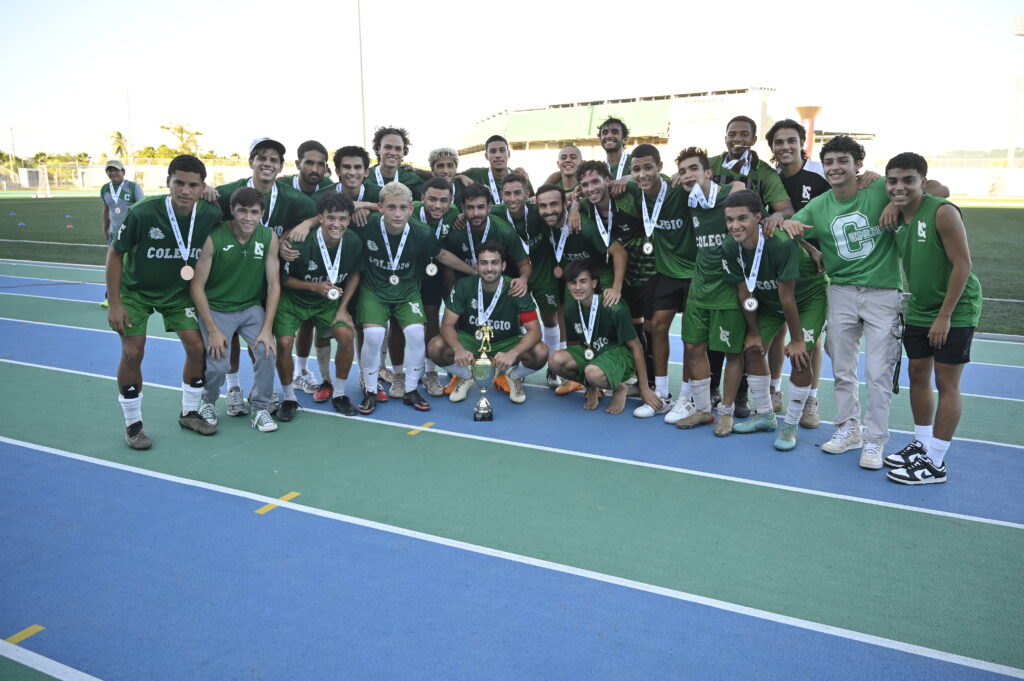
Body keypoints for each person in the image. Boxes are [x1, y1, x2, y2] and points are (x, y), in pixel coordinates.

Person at [779, 136, 911, 468]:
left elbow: (936, 189)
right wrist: (794, 228)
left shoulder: (879, 189)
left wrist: (895, 200)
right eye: (830, 162)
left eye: (843, 161)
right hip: (840, 291)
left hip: (882, 292)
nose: (835, 167)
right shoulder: (820, 204)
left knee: (879, 371)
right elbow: (788, 226)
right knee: (841, 367)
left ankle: (875, 440)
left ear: (857, 165)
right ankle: (848, 429)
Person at [106, 154, 222, 449]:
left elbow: (246, 198)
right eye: (179, 183)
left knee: (197, 348)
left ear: (202, 187)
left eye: (193, 185)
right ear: (167, 181)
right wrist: (115, 303)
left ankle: (190, 412)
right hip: (136, 292)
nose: (185, 191)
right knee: (134, 352)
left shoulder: (209, 212)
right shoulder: (143, 212)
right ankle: (133, 425)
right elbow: (115, 253)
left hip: (177, 293)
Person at [882, 152, 982, 485]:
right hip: (921, 307)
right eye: (893, 181)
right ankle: (922, 445)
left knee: (947, 382)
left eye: (908, 180)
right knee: (917, 372)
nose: (899, 187)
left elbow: (962, 265)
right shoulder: (897, 213)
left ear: (922, 182)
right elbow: (915, 189)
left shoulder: (942, 212)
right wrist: (896, 203)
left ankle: (936, 462)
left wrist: (945, 316)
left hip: (955, 308)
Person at [211, 138, 317, 415]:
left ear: (281, 167)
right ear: (251, 162)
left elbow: (320, 213)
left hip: (269, 278)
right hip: (233, 278)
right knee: (231, 337)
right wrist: (206, 190)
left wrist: (302, 225)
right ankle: (233, 388)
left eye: (273, 160)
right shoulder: (230, 192)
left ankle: (264, 391)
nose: (267, 164)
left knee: (262, 338)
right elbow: (204, 199)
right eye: (262, 158)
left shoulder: (290, 197)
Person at [352, 181, 475, 414]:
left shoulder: (422, 232)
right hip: (374, 291)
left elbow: (442, 255)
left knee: (417, 333)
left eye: (402, 208)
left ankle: (410, 390)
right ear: (380, 207)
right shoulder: (366, 225)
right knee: (374, 334)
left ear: (411, 208)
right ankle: (370, 390)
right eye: (391, 207)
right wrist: (308, 224)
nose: (397, 214)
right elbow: (333, 211)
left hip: (407, 291)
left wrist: (473, 271)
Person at [722, 189, 828, 450]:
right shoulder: (729, 246)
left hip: (806, 299)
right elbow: (744, 292)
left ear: (759, 217)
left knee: (801, 357)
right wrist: (754, 332)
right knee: (753, 350)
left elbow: (788, 297)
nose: (735, 226)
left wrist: (798, 340)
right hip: (769, 301)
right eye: (729, 219)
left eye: (742, 218)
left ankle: (790, 425)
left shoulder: (779, 242)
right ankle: (766, 416)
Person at [613, 144, 694, 420]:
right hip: (667, 272)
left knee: (692, 338)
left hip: (694, 272)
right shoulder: (635, 190)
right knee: (657, 327)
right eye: (636, 169)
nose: (643, 174)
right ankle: (661, 393)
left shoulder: (678, 190)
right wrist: (576, 202)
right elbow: (602, 186)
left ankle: (687, 397)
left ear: (660, 167)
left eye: (648, 167)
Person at [191, 187, 281, 432]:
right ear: (232, 210)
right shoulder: (214, 237)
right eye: (242, 211)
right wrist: (212, 329)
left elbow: (274, 286)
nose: (248, 218)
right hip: (218, 308)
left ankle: (260, 408)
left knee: (266, 352)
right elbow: (197, 286)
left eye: (254, 212)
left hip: (251, 307)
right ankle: (207, 402)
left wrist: (267, 329)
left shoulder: (269, 237)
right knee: (219, 364)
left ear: (262, 213)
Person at [671, 148, 744, 435]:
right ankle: (703, 410)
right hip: (700, 284)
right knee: (692, 346)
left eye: (693, 169)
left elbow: (749, 202)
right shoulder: (687, 198)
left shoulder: (731, 194)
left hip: (729, 285)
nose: (688, 175)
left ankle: (725, 411)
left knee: (732, 352)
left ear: (708, 173)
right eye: (683, 171)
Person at [274, 192, 363, 419]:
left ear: (349, 220)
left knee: (346, 335)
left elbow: (354, 273)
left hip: (327, 303)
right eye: (331, 218)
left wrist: (343, 307)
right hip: (293, 300)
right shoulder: (300, 241)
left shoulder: (353, 241)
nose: (337, 224)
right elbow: (284, 281)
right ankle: (289, 398)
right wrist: (314, 287)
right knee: (284, 343)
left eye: (342, 218)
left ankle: (340, 394)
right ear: (320, 218)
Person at [429, 241, 548, 404]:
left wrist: (513, 353)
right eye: (484, 263)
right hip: (472, 340)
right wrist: (458, 349)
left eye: (495, 263)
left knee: (540, 351)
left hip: (506, 342)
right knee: (435, 346)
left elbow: (535, 331)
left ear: (504, 265)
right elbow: (447, 324)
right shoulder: (464, 285)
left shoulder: (516, 288)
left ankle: (512, 378)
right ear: (476, 266)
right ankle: (467, 377)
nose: (489, 268)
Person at [548, 260, 660, 414]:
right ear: (568, 285)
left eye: (583, 281)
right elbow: (574, 345)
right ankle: (591, 387)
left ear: (594, 283)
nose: (578, 287)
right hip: (593, 354)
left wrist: (644, 387)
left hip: (619, 356)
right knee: (554, 361)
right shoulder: (570, 309)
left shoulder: (614, 307)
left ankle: (620, 386)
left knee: (592, 372)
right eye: (573, 282)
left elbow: (636, 346)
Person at [411, 176, 461, 396]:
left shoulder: (455, 214)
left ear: (451, 201)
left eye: (444, 200)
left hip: (449, 269)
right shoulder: (410, 213)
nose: (438, 205)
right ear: (422, 199)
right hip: (422, 270)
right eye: (432, 199)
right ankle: (429, 370)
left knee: (455, 315)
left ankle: (453, 361)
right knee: (429, 317)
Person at [100, 159, 145, 308]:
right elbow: (107, 210)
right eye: (110, 170)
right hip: (115, 235)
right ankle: (110, 298)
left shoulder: (133, 188)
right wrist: (105, 228)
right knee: (113, 267)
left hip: (133, 235)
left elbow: (142, 210)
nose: (113, 173)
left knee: (133, 266)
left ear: (123, 172)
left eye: (116, 170)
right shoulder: (105, 189)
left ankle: (136, 296)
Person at [458, 135, 533, 202]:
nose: (498, 155)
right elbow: (449, 175)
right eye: (493, 151)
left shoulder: (521, 177)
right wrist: (461, 176)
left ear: (509, 154)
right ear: (486, 156)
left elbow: (534, 200)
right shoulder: (476, 174)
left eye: (502, 150)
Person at [364, 126, 424, 200]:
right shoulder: (365, 177)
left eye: (398, 149)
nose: (393, 152)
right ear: (378, 149)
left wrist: (417, 170)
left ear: (403, 152)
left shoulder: (412, 178)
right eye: (388, 147)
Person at [597, 116, 631, 181]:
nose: (609, 136)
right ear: (600, 140)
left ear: (625, 139)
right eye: (605, 133)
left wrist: (631, 178)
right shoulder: (598, 169)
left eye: (614, 132)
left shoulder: (635, 161)